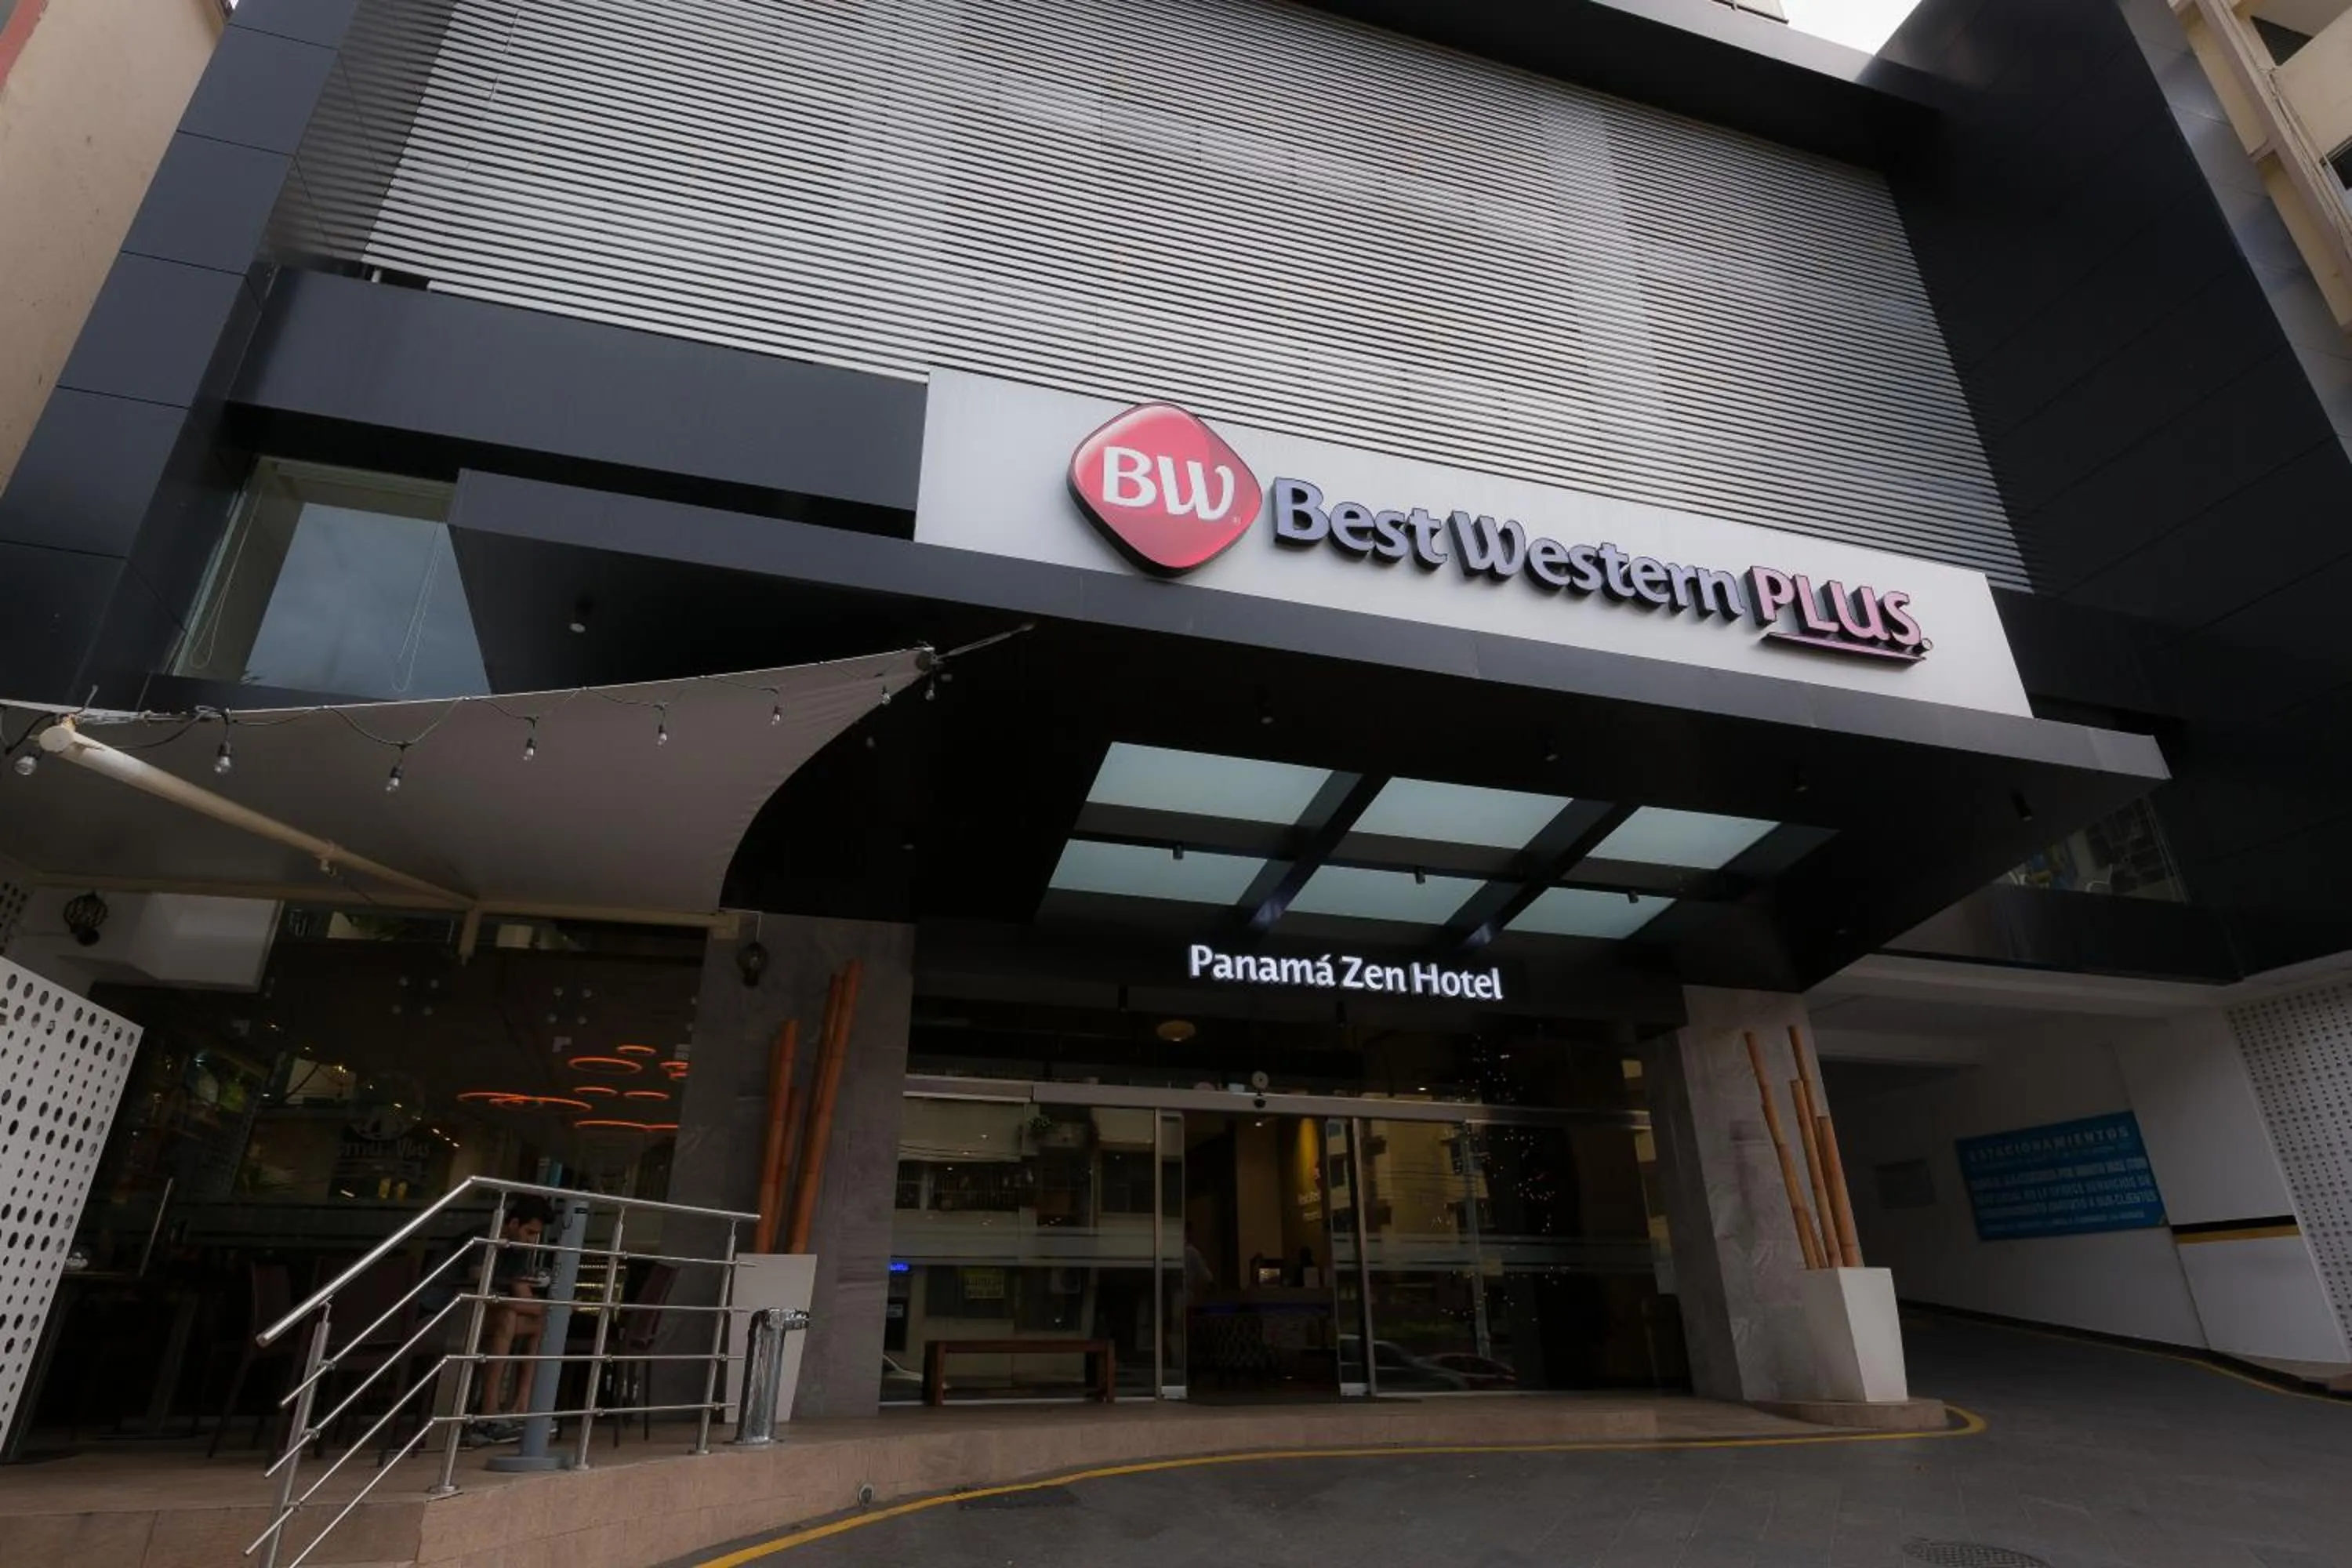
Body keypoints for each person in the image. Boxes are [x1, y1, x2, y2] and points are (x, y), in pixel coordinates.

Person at [472, 1196, 554, 1442]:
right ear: (514, 1223)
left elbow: (525, 1297)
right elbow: (478, 1286)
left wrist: (554, 1309)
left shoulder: (517, 1250)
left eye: (536, 1235)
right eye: (530, 1232)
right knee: (508, 1317)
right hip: (448, 1313)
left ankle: (522, 1406)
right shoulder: (483, 1238)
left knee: (540, 1322)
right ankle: (489, 1414)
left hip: (485, 1315)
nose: (532, 1240)